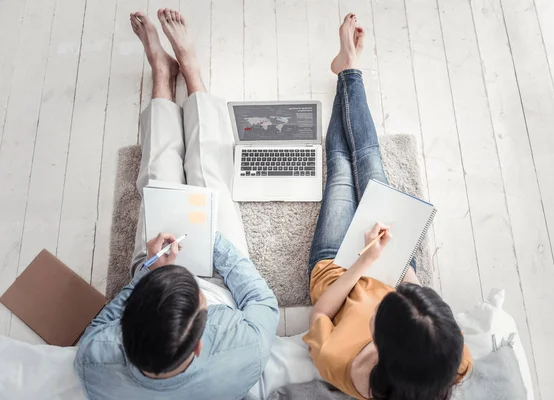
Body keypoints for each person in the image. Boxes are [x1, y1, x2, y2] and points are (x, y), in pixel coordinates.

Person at [74, 9, 279, 400]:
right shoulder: (243, 350)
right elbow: (262, 301)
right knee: (209, 176)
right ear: (199, 346)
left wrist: (150, 268)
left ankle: (163, 76)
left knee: (156, 176)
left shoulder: (95, 362)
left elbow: (98, 327)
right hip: (220, 279)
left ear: (125, 339)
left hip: (156, 268)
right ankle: (193, 75)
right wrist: (211, 239)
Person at [303, 13, 473, 400]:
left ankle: (347, 68)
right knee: (369, 158)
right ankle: (349, 69)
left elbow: (319, 316)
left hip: (336, 271)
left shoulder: (340, 364)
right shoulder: (453, 359)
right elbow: (415, 291)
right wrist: (395, 264)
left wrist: (364, 262)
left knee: (341, 169)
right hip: (391, 262)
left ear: (381, 341)